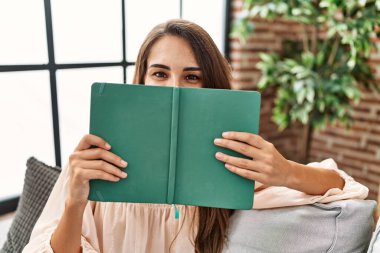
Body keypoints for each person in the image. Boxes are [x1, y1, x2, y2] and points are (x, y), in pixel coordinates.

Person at [23, 19, 368, 253]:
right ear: (141, 79)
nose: (174, 88)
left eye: (191, 77)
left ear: (210, 85)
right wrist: (74, 203)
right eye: (159, 73)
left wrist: (285, 171)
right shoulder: (94, 155)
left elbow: (346, 190)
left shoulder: (228, 162)